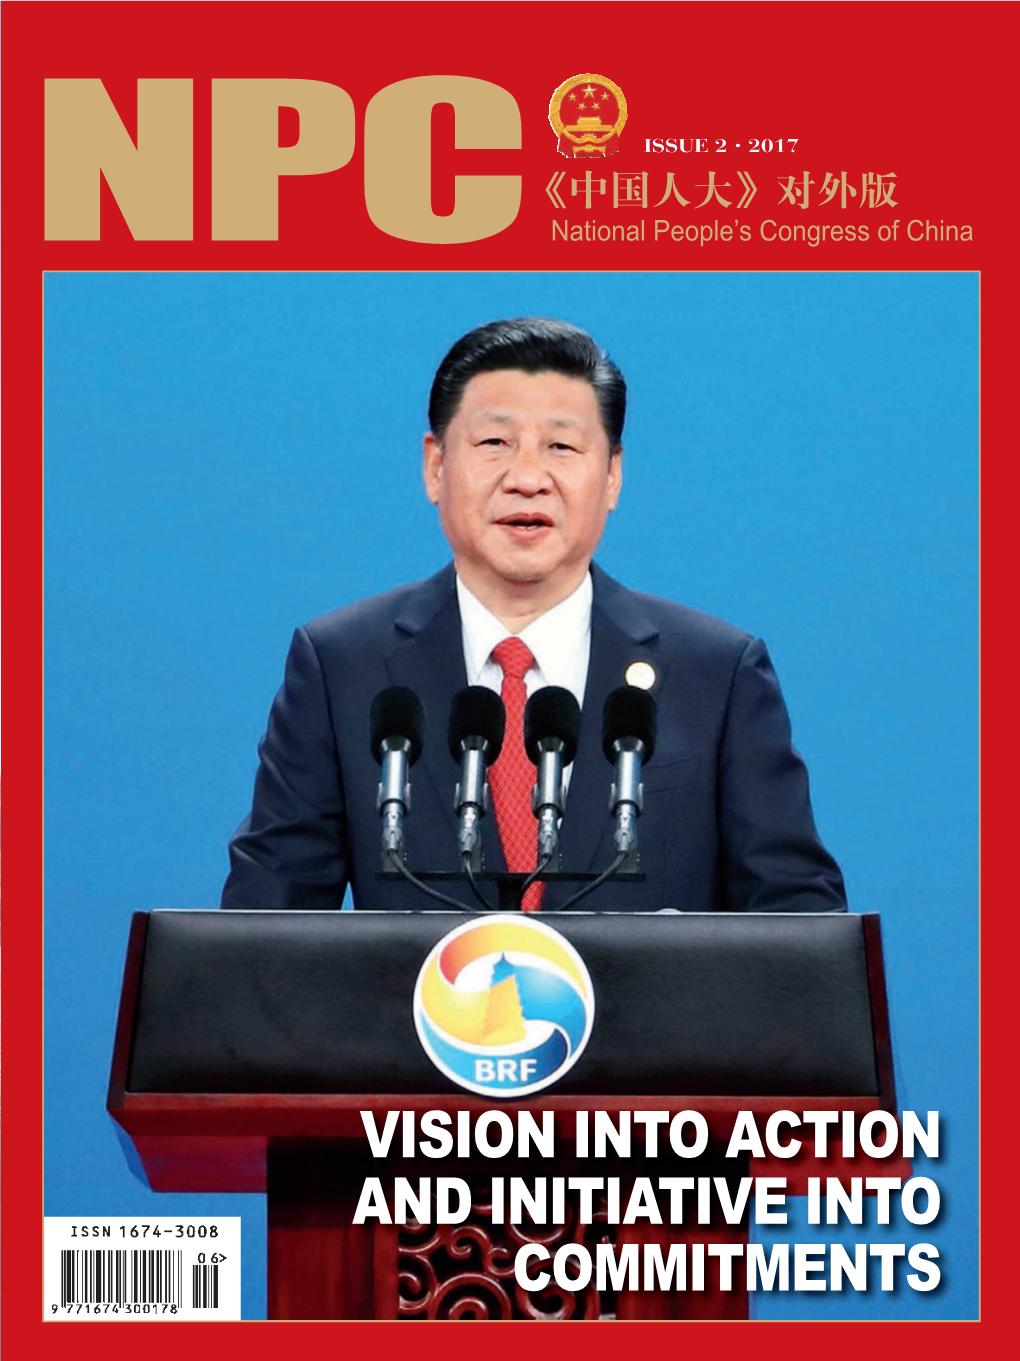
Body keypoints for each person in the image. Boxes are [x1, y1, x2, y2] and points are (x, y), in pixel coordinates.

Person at [221, 317, 846, 914]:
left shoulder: (715, 673)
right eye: (494, 442)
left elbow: (797, 922)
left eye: (562, 447)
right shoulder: (340, 666)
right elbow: (264, 927)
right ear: (436, 466)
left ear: (612, 477)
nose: (527, 478)